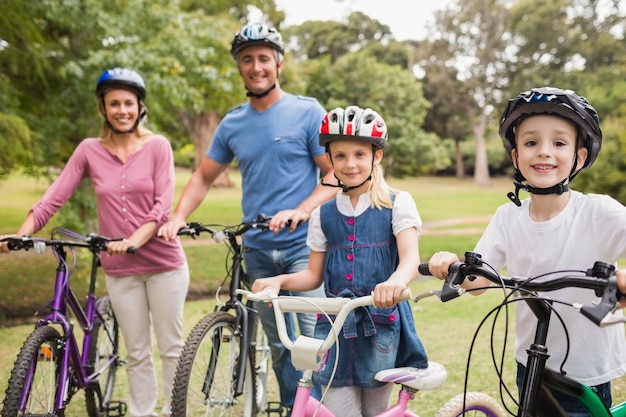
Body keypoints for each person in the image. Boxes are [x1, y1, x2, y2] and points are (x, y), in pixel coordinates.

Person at [157, 23, 336, 410]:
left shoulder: (306, 112)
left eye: (264, 59)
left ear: (279, 64)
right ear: (239, 66)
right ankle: (295, 410)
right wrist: (178, 216)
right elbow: (204, 175)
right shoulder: (233, 123)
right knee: (278, 346)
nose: (256, 67)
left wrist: (302, 209)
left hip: (302, 249)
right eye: (247, 59)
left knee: (310, 342)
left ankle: (324, 410)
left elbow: (334, 174)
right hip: (256, 253)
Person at [425, 87, 626, 417]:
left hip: (585, 368)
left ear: (579, 156)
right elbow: (478, 279)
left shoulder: (598, 213)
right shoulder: (508, 218)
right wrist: (452, 266)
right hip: (531, 359)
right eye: (531, 142)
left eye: (559, 143)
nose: (544, 152)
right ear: (516, 156)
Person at [0, 67, 190, 417]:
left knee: (172, 347)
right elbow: (54, 197)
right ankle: (141, 413)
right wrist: (21, 233)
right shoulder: (89, 149)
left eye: (128, 103)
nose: (122, 110)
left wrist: (132, 239)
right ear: (103, 108)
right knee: (135, 351)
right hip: (120, 269)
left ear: (140, 107)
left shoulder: (158, 146)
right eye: (114, 103)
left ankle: (173, 412)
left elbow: (162, 206)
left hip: (164, 265)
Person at [251, 106, 430, 417]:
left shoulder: (397, 203)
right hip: (333, 329)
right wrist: (278, 282)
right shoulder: (323, 213)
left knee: (376, 411)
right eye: (341, 155)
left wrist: (396, 282)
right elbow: (312, 276)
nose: (350, 164)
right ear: (330, 161)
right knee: (340, 409)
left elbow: (410, 259)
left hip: (380, 327)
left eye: (360, 154)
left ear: (377, 157)